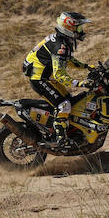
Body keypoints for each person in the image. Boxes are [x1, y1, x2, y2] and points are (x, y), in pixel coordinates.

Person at [23, 12, 94, 147]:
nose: (81, 31)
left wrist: (86, 66)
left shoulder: (62, 41)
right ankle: (60, 139)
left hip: (45, 77)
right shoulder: (60, 47)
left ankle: (61, 127)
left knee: (70, 100)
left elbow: (67, 59)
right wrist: (79, 83)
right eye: (79, 28)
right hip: (39, 79)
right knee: (64, 105)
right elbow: (59, 74)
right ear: (69, 29)